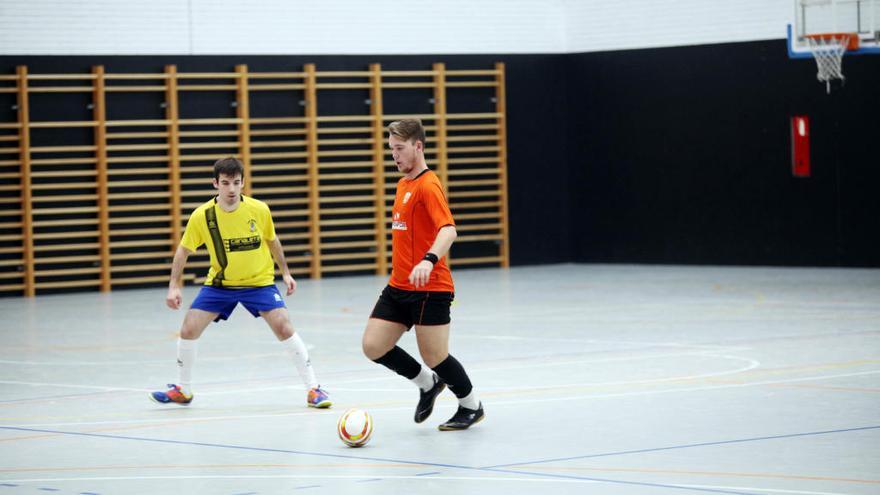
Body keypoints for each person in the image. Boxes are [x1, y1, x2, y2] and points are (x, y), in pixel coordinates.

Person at [150, 157, 331, 409]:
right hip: (221, 285)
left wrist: (286, 273)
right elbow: (182, 252)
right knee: (189, 329)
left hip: (259, 283)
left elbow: (273, 241)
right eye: (225, 183)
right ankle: (183, 389)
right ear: (215, 184)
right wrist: (173, 285)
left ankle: (313, 389)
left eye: (236, 182)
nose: (232, 189)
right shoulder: (202, 216)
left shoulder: (259, 210)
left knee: (283, 326)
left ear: (243, 182)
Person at [361, 119, 484, 430]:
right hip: (399, 286)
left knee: (435, 355)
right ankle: (427, 384)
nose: (395, 156)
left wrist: (428, 260)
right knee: (373, 346)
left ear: (418, 146)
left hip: (431, 288)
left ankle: (471, 405)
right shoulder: (404, 184)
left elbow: (449, 230)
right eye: (391, 150)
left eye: (399, 149)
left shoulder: (429, 185)